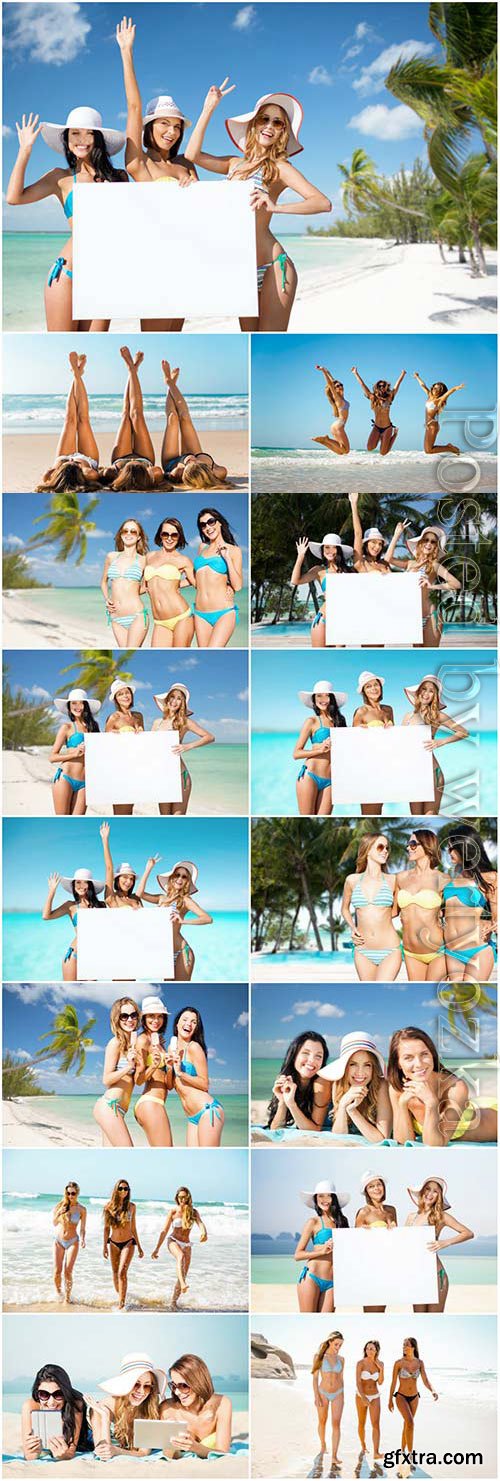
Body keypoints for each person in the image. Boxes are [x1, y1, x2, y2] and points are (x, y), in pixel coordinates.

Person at [185, 83, 331, 331]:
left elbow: (322, 202)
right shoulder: (233, 164)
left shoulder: (280, 168)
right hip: (240, 268)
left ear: (282, 132)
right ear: (254, 123)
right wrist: (208, 108)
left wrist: (276, 207)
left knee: (269, 341)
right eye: (265, 119)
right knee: (251, 340)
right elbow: (192, 155)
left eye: (278, 123)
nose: (270, 126)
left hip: (274, 266)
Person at [7, 107, 126, 331]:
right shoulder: (60, 179)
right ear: (67, 139)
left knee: (94, 347)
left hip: (104, 275)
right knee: (65, 344)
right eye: (75, 133)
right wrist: (25, 150)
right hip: (67, 274)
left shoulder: (119, 178)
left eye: (89, 133)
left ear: (98, 138)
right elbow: (14, 197)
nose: (82, 140)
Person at [116, 15, 197, 330]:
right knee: (154, 335)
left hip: (187, 259)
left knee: (176, 333)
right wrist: (127, 53)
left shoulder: (185, 166)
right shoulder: (140, 163)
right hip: (152, 260)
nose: (172, 131)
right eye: (164, 123)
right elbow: (134, 107)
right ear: (149, 127)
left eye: (177, 126)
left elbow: (203, 213)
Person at [388, 1025, 497, 1144]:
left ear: (432, 1055)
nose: (419, 1064)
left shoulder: (454, 1087)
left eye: (424, 1054)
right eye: (408, 1058)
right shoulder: (397, 1090)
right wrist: (402, 1106)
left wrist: (431, 1103)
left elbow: (436, 1144)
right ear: (398, 1063)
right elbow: (403, 1142)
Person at [402, 675, 469, 815]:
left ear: (435, 696)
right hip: (412, 773)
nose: (426, 694)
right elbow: (400, 743)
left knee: (431, 816)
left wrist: (440, 742)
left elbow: (463, 732)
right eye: (424, 689)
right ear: (418, 692)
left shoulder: (438, 715)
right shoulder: (407, 717)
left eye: (431, 691)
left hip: (433, 773)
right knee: (415, 816)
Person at [405, 1177, 473, 1313]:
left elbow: (468, 1233)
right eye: (427, 1189)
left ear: (439, 1197)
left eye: (435, 1191)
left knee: (435, 1315)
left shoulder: (441, 1216)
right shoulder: (411, 1217)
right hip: (416, 1274)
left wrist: (445, 1242)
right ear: (422, 1192)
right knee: (419, 1316)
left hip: (437, 1275)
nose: (430, 1193)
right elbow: (404, 1245)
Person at [36, 353, 102, 491]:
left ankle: (76, 373)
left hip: (63, 457)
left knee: (69, 419)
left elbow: (46, 476)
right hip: (87, 459)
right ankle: (77, 374)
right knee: (83, 419)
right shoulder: (88, 475)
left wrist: (55, 470)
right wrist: (82, 468)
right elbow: (96, 475)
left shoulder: (51, 478)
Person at [161, 361, 233, 487]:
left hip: (171, 461)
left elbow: (163, 477)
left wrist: (179, 468)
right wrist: (194, 458)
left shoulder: (177, 472)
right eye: (194, 461)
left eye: (189, 463)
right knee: (185, 417)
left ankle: (170, 384)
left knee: (172, 419)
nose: (190, 459)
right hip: (195, 454)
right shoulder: (219, 472)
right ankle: (170, 383)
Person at [101, 347, 165, 490]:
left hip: (120, 460)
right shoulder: (150, 477)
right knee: (136, 415)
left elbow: (105, 474)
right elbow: (158, 472)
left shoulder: (112, 474)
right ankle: (132, 369)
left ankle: (132, 369)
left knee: (126, 415)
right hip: (145, 459)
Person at [342, 834, 401, 982]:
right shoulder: (352, 880)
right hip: (362, 950)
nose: (385, 851)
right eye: (380, 847)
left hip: (390, 949)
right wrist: (352, 928)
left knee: (383, 993)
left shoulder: (393, 880)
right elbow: (344, 909)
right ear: (367, 850)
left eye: (387, 848)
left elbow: (394, 911)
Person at [443, 823, 497, 982]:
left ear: (464, 847)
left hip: (477, 950)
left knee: (469, 1002)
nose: (449, 852)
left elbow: (496, 915)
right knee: (458, 1004)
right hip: (451, 952)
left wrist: (495, 924)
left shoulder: (490, 877)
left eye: (452, 848)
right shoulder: (455, 873)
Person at [140, 862, 212, 981]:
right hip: (165, 953)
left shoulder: (185, 900)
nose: (180, 878)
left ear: (187, 882)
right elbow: (140, 894)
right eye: (177, 875)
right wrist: (148, 869)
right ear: (171, 877)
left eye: (184, 877)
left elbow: (207, 918)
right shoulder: (161, 898)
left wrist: (183, 921)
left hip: (182, 952)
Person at [152, 683, 214, 815]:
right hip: (162, 776)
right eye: (172, 697)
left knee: (178, 818)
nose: (174, 701)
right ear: (167, 699)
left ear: (182, 703)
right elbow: (150, 748)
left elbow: (209, 737)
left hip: (181, 777)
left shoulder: (184, 722)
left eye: (179, 698)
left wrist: (187, 746)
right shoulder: (157, 723)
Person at [90, 1353, 167, 1460]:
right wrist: (105, 1418)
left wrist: (117, 1451)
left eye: (147, 1386)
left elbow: (143, 1453)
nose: (141, 1391)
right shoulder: (103, 1408)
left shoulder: (150, 1407)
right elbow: (103, 1453)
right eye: (136, 1384)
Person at [318, 1031, 392, 1142]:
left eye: (367, 1065)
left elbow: (381, 1139)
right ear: (344, 1067)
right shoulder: (338, 1084)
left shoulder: (381, 1086)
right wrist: (343, 1105)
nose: (360, 1072)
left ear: (373, 1068)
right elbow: (338, 1138)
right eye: (353, 1064)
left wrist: (353, 1111)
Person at [167, 1005, 225, 1147]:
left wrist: (180, 1073)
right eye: (185, 1019)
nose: (189, 1024)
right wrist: (170, 1068)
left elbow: (205, 1084)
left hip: (208, 1111)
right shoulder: (171, 1049)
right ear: (177, 1023)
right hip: (192, 1118)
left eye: (194, 1022)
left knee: (208, 1160)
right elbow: (169, 1086)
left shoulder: (194, 1047)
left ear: (196, 1028)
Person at [395, 829, 447, 983]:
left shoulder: (443, 879)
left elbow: (458, 911)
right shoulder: (401, 878)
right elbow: (390, 913)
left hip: (438, 951)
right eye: (408, 844)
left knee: (433, 997)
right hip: (410, 953)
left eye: (412, 844)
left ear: (427, 846)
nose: (408, 848)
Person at [290, 532, 353, 648]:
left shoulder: (349, 571)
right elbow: (295, 581)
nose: (330, 550)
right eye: (327, 547)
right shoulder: (319, 571)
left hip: (341, 621)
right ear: (322, 550)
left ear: (339, 550)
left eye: (334, 547)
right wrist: (300, 556)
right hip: (323, 619)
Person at [160, 1354, 233, 1456]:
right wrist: (171, 1441)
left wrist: (194, 1447)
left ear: (198, 1382)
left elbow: (223, 1452)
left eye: (183, 1386)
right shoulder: (167, 1409)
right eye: (174, 1386)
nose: (177, 1392)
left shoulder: (222, 1404)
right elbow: (169, 1456)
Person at [294, 679, 347, 816]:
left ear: (332, 698)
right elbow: (296, 753)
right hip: (310, 776)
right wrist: (320, 749)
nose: (323, 699)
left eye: (326, 695)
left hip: (330, 780)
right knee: (306, 820)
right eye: (319, 696)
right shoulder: (311, 721)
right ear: (314, 699)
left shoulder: (340, 722)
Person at [42, 866, 105, 981]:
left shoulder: (101, 905)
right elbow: (46, 916)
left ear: (90, 885)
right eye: (78, 882)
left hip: (93, 955)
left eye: (85, 883)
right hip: (75, 954)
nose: (81, 886)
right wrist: (52, 892)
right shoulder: (70, 906)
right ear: (74, 885)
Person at [93, 997, 141, 1147]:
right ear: (117, 1019)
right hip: (109, 1106)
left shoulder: (134, 1045)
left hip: (119, 1110)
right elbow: (106, 1079)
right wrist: (128, 1067)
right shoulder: (115, 1043)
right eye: (124, 1016)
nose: (129, 1020)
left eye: (133, 1015)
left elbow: (140, 1080)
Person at [295, 1181, 349, 1313]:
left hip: (333, 1282)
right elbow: (297, 1255)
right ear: (316, 1199)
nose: (324, 1200)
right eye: (320, 1196)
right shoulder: (313, 1222)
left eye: (328, 1196)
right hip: (311, 1278)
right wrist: (322, 1251)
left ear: (333, 1198)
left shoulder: (343, 1222)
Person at [141, 515, 195, 649]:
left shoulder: (183, 560)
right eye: (165, 534)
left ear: (179, 537)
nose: (169, 538)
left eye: (174, 535)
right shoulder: (149, 557)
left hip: (181, 617)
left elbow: (198, 583)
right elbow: (142, 588)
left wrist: (227, 586)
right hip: (160, 622)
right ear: (160, 535)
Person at [193, 507, 243, 648]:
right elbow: (197, 581)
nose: (208, 527)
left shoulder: (234, 550)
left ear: (219, 522)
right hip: (200, 613)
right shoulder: (202, 547)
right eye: (203, 525)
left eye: (211, 522)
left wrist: (227, 558)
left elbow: (238, 586)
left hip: (224, 613)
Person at [403, 526, 461, 647]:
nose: (429, 543)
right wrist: (397, 534)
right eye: (426, 540)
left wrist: (432, 587)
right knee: (417, 658)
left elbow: (456, 584)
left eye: (433, 541)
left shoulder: (434, 565)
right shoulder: (410, 564)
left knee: (429, 657)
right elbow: (388, 560)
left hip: (430, 615)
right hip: (413, 616)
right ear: (420, 543)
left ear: (435, 546)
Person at [22, 1365, 92, 1463]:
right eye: (44, 1394)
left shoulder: (75, 1404)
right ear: (37, 1393)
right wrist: (31, 1454)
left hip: (84, 1436)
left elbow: (71, 1451)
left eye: (58, 1394)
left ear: (66, 1392)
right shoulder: (30, 1406)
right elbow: (27, 1453)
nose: (51, 1403)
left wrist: (64, 1455)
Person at [151, 1186, 208, 1305]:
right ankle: (183, 1284)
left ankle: (173, 1303)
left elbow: (200, 1224)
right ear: (177, 1198)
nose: (182, 1199)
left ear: (188, 1198)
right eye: (180, 1197)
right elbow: (164, 1231)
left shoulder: (193, 1212)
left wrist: (204, 1232)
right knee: (180, 1256)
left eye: (184, 1197)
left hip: (186, 1244)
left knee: (183, 1273)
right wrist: (157, 1249)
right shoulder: (173, 1212)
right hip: (173, 1241)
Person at [265, 1031, 331, 1133]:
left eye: (318, 1056)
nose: (312, 1060)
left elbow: (315, 1129)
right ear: (294, 1055)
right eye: (306, 1053)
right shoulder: (286, 1079)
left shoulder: (322, 1082)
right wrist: (283, 1101)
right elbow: (275, 1128)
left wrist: (291, 1104)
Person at [388, 1339, 438, 1475]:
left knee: (407, 1425)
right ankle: (409, 1456)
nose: (404, 1347)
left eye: (407, 1345)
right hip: (401, 1397)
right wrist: (389, 1399)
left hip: (415, 1397)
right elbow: (393, 1382)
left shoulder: (419, 1363)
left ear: (413, 1347)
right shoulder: (398, 1363)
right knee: (410, 1423)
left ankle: (402, 1450)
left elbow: (425, 1380)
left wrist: (432, 1390)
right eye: (403, 1345)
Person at [50, 687, 101, 816]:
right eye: (74, 703)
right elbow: (52, 757)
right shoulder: (66, 727)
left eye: (81, 703)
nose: (77, 706)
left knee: (78, 820)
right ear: (69, 707)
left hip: (84, 782)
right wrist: (74, 753)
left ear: (86, 705)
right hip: (65, 778)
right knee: (63, 821)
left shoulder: (94, 727)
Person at [101, 517, 149, 649]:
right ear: (121, 534)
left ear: (139, 537)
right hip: (115, 618)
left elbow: (148, 586)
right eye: (125, 531)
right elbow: (103, 582)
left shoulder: (144, 560)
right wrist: (106, 599)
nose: (129, 534)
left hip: (137, 615)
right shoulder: (111, 556)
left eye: (133, 531)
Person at [134, 995, 174, 1147]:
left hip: (158, 1103)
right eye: (151, 1016)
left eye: (159, 1017)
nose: (156, 1021)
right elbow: (138, 1080)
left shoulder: (160, 1044)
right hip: (150, 1102)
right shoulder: (142, 1040)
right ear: (144, 1019)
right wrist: (153, 1066)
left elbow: (168, 1086)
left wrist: (170, 1067)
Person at [352, 671, 394, 816]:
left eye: (375, 685)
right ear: (363, 691)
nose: (373, 688)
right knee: (370, 810)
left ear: (381, 687)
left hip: (386, 764)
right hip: (368, 766)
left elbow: (394, 738)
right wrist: (359, 732)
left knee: (380, 808)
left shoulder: (388, 710)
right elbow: (352, 744)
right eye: (368, 686)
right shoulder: (361, 712)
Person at [356, 1173, 397, 1313]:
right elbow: (354, 1244)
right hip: (370, 1267)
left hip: (388, 1266)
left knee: (382, 1309)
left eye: (379, 1184)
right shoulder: (363, 1212)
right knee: (371, 1310)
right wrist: (362, 1233)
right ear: (366, 1191)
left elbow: (396, 1240)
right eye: (371, 1186)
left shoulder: (391, 1211)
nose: (376, 1189)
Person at [105, 681, 145, 816]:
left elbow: (144, 744)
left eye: (127, 692)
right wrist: (112, 736)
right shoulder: (113, 718)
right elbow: (105, 747)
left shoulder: (138, 716)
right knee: (121, 809)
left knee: (130, 808)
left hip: (135, 768)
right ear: (116, 699)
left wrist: (141, 731)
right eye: (120, 694)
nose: (125, 696)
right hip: (119, 768)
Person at [103, 1178, 144, 1308]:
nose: (123, 1191)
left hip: (128, 1242)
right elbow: (106, 1228)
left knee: (122, 1272)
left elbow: (133, 1228)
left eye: (126, 1188)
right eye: (121, 1188)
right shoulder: (108, 1207)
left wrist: (139, 1247)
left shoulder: (132, 1207)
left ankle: (121, 1304)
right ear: (116, 1189)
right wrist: (104, 1246)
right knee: (115, 1273)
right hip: (113, 1243)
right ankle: (121, 1295)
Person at [351, 366, 406, 455]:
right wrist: (355, 373)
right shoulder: (372, 397)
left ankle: (395, 435)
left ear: (386, 387)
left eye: (383, 385)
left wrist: (402, 374)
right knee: (369, 448)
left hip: (387, 427)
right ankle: (381, 437)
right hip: (376, 427)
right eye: (379, 386)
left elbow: (397, 385)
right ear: (377, 387)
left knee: (383, 453)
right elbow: (362, 385)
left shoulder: (389, 397)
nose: (381, 387)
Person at [311, 1332, 344, 1466]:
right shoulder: (319, 1357)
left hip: (338, 1394)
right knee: (322, 1421)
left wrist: (343, 1395)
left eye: (340, 1345)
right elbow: (315, 1378)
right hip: (323, 1392)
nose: (338, 1347)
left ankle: (334, 1456)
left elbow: (341, 1378)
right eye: (336, 1344)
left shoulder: (341, 1359)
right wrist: (316, 1396)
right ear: (330, 1342)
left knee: (336, 1424)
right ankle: (323, 1444)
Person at [413, 371, 465, 455]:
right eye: (434, 387)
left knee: (429, 450)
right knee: (427, 450)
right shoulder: (429, 396)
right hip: (428, 425)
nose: (434, 389)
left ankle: (449, 448)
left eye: (437, 388)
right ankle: (449, 447)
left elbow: (449, 392)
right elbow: (423, 385)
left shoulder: (439, 400)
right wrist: (417, 377)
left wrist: (457, 387)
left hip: (433, 425)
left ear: (440, 391)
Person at [52, 1181, 86, 1303]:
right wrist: (59, 1213)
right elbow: (54, 1223)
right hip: (59, 1241)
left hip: (73, 1241)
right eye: (68, 1193)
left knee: (68, 1271)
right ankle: (59, 1294)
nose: (71, 1196)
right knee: (57, 1271)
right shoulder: (60, 1206)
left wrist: (82, 1239)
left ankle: (67, 1297)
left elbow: (82, 1228)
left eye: (73, 1193)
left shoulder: (82, 1209)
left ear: (77, 1193)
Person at [355, 1342, 384, 1463]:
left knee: (376, 1424)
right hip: (361, 1396)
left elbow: (381, 1382)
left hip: (375, 1396)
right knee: (362, 1422)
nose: (369, 1350)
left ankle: (376, 1452)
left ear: (376, 1350)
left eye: (372, 1349)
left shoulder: (380, 1363)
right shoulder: (360, 1363)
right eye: (367, 1348)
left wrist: (381, 1369)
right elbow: (358, 1382)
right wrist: (363, 1397)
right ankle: (363, 1445)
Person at [312, 366, 350, 455]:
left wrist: (328, 372)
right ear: (334, 389)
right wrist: (323, 372)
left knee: (340, 452)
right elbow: (330, 384)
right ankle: (326, 439)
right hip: (338, 425)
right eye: (337, 386)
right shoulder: (337, 399)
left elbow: (332, 381)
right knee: (346, 450)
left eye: (341, 385)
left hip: (337, 425)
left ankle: (324, 442)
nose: (340, 386)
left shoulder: (342, 398)